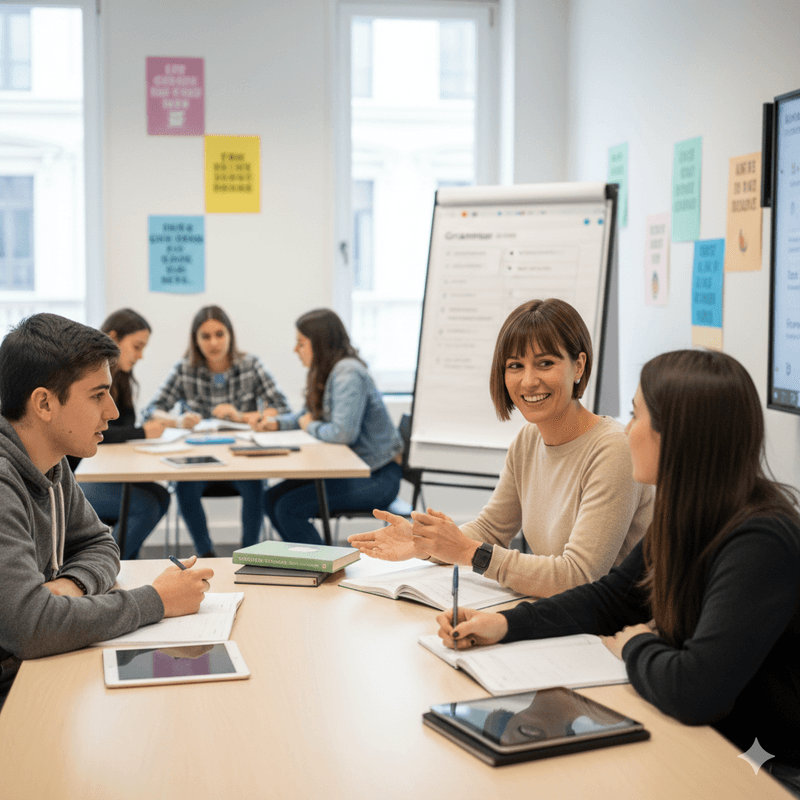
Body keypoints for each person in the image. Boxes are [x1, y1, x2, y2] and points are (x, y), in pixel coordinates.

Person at [436, 349, 800, 797]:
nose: (627, 430)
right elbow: (612, 598)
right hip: (728, 738)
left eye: (636, 415)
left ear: (678, 436)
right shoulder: (689, 512)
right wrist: (507, 623)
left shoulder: (760, 540)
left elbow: (696, 690)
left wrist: (635, 643)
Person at [349, 298, 653, 598]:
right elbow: (491, 529)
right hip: (562, 614)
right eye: (515, 366)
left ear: (578, 366)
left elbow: (579, 576)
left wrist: (471, 553)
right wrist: (425, 543)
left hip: (614, 629)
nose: (529, 380)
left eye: (545, 363)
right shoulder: (528, 440)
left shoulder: (613, 450)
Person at [0, 313, 213, 708]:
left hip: (31, 668)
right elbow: (29, 627)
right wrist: (157, 600)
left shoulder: (51, 459)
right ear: (44, 403)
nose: (112, 411)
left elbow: (99, 542)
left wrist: (72, 586)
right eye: (98, 395)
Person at [145, 305, 290, 557]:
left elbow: (283, 409)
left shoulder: (250, 365)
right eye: (206, 336)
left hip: (241, 457)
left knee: (255, 481)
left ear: (230, 335)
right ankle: (205, 553)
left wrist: (241, 416)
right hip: (200, 460)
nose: (214, 343)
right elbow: (152, 410)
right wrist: (178, 421)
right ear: (196, 340)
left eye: (219, 334)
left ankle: (250, 552)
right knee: (183, 485)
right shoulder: (184, 369)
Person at [259, 308, 403, 545]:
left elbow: (342, 433)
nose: (296, 350)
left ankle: (325, 569)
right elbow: (307, 416)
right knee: (271, 498)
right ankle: (307, 564)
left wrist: (310, 426)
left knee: (287, 508)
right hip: (353, 470)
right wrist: (276, 424)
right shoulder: (328, 371)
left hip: (377, 477)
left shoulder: (348, 373)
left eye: (301, 343)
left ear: (319, 343)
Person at [75, 309, 170, 559]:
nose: (140, 355)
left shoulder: (121, 378)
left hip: (93, 470)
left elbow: (121, 421)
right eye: (137, 347)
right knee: (145, 505)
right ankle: (109, 564)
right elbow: (101, 430)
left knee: (161, 495)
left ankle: (127, 563)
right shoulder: (84, 379)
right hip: (76, 478)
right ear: (113, 337)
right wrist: (142, 432)